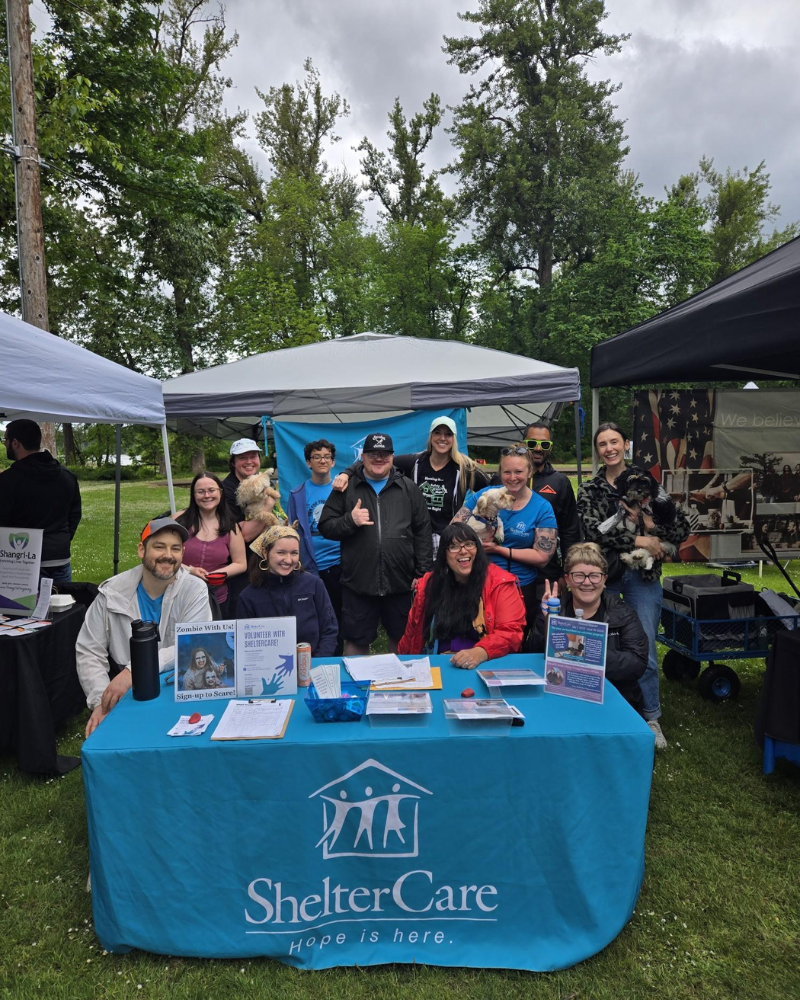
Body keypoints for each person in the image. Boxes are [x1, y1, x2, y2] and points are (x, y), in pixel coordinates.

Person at [578, 422, 688, 750]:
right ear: (597, 449)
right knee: (602, 645)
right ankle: (603, 710)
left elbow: (679, 527)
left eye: (614, 442)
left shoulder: (648, 482)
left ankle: (649, 716)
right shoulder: (590, 488)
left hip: (644, 577)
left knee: (645, 647)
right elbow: (593, 531)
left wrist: (654, 529)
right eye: (602, 444)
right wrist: (639, 537)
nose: (609, 448)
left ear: (625, 444)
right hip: (605, 576)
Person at [76, 517, 212, 736]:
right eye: (159, 547)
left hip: (181, 686)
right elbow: (89, 651)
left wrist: (134, 670)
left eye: (175, 548)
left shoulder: (194, 590)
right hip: (131, 693)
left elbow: (194, 646)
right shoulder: (112, 592)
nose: (168, 555)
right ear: (142, 550)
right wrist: (102, 700)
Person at [318, 432, 432, 655]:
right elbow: (325, 526)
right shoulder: (346, 488)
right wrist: (350, 520)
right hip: (358, 583)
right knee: (356, 640)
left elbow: (422, 532)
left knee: (401, 639)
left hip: (401, 582)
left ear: (392, 457)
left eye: (384, 454)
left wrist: (422, 572)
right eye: (372, 454)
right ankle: (358, 688)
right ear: (363, 456)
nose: (379, 459)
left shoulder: (408, 489)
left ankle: (399, 686)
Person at [333, 416, 489, 557]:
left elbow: (492, 488)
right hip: (415, 539)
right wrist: (346, 474)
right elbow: (377, 461)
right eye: (437, 433)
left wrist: (470, 511)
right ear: (431, 436)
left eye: (448, 434)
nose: (442, 438)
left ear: (454, 438)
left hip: (448, 541)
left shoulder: (464, 468)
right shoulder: (415, 462)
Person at [528, 542, 648, 715]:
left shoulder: (622, 612)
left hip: (614, 699)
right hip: (561, 698)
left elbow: (637, 663)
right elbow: (533, 654)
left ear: (604, 579)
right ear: (568, 579)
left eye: (594, 576)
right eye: (579, 576)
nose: (586, 582)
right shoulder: (555, 609)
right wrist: (549, 622)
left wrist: (583, 653)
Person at [453, 446, 557, 631]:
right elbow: (453, 530)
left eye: (519, 472)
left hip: (519, 585)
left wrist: (498, 550)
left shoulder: (541, 507)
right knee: (477, 635)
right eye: (507, 472)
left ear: (530, 471)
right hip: (478, 581)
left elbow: (542, 557)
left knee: (514, 638)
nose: (512, 477)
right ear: (500, 472)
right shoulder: (485, 496)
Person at [398, 522, 526, 669]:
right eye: (453, 547)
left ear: (478, 549)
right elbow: (412, 633)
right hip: (437, 663)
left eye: (469, 544)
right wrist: (401, 664)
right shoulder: (429, 584)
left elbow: (511, 632)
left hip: (484, 664)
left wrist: (481, 652)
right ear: (444, 555)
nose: (463, 551)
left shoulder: (500, 583)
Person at [1, 418, 81, 582]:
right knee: (61, 607)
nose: (4, 445)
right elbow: (75, 515)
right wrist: (62, 538)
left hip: (23, 562)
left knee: (24, 608)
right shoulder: (67, 477)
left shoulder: (8, 481)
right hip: (59, 557)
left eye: (5, 440)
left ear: (15, 443)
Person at [238, 525, 338, 656]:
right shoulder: (248, 597)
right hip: (269, 671)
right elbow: (244, 644)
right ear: (265, 553)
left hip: (313, 665)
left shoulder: (314, 585)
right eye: (281, 552)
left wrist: (317, 663)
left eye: (294, 553)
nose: (288, 560)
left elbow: (329, 630)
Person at [287, 439, 344, 653]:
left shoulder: (342, 489)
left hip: (339, 564)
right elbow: (292, 533)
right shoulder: (297, 494)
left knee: (337, 617)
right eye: (316, 457)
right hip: (311, 566)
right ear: (308, 463)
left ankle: (335, 656)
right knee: (313, 617)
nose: (322, 460)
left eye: (326, 457)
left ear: (333, 461)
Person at [175, 472, 247, 615]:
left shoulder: (231, 527)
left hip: (217, 599)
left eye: (211, 490)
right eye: (200, 492)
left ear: (220, 493)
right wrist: (190, 571)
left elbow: (240, 563)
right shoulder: (179, 521)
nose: (207, 495)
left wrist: (213, 575)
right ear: (193, 495)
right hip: (180, 595)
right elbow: (166, 557)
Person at [221, 439, 267, 544]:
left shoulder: (263, 481)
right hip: (245, 554)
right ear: (233, 462)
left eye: (253, 456)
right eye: (242, 458)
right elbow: (245, 535)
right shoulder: (226, 490)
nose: (249, 462)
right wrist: (269, 504)